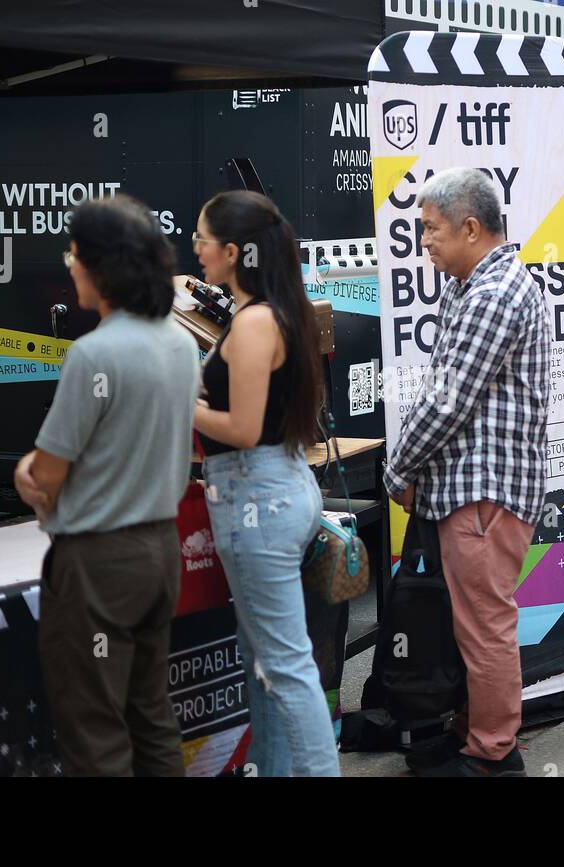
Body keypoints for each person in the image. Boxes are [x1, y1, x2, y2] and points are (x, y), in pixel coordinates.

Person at [13, 196, 197, 776]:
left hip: (97, 565)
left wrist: (27, 474)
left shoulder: (93, 354)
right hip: (160, 551)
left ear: (101, 266)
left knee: (95, 730)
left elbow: (47, 473)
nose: (70, 266)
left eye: (75, 254)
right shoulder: (179, 342)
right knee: (151, 716)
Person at [385, 167, 551, 777]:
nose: (423, 242)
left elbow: (447, 400)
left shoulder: (493, 293)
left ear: (471, 228)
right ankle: (476, 732)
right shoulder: (472, 283)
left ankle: (493, 754)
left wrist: (398, 466)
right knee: (473, 624)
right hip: (469, 488)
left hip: (485, 493)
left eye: (431, 230)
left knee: (484, 627)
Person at [190, 190, 339, 777]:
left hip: (257, 495)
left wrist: (182, 404)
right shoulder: (277, 311)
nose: (195, 251)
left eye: (202, 240)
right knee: (269, 663)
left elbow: (243, 429)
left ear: (232, 251)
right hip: (276, 489)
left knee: (283, 665)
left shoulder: (253, 322)